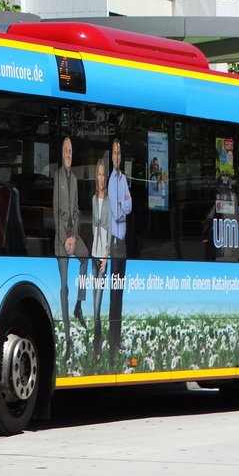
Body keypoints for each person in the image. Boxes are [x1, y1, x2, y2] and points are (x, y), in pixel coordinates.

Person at [54, 136, 89, 359]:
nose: (68, 155)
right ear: (61, 153)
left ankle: (79, 305)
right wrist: (64, 239)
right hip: (60, 241)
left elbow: (76, 211)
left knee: (86, 257)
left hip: (72, 238)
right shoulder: (57, 177)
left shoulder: (75, 180)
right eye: (66, 151)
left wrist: (74, 237)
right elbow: (55, 212)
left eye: (71, 152)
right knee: (64, 287)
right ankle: (66, 339)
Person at [107, 135, 132, 367]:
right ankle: (112, 340)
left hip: (122, 243)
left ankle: (117, 337)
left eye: (119, 153)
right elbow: (117, 212)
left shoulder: (123, 179)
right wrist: (122, 206)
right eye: (114, 153)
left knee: (120, 293)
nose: (117, 157)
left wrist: (123, 206)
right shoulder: (111, 181)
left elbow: (128, 205)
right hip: (114, 241)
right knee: (113, 294)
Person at [89, 158, 111, 360]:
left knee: (97, 304)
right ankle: (97, 346)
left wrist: (106, 257)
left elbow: (110, 231)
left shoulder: (109, 201)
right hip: (93, 256)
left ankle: (97, 346)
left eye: (104, 174)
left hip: (102, 257)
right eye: (99, 174)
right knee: (93, 304)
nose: (101, 177)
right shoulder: (94, 200)